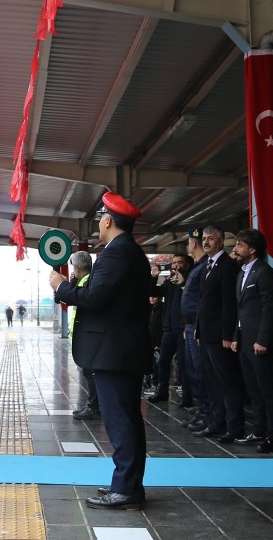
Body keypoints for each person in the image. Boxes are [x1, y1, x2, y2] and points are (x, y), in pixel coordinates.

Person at [50, 192, 151, 510]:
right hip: (121, 350)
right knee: (126, 419)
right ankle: (127, 484)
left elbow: (95, 296)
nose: (99, 224)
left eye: (100, 219)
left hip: (116, 352)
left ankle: (126, 489)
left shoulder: (116, 254)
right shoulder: (128, 252)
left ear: (108, 221)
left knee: (120, 421)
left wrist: (61, 287)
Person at [231, 228, 273, 452]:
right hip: (244, 339)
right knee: (253, 389)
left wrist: (263, 339)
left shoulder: (265, 272)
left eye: (239, 245)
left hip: (260, 342)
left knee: (266, 389)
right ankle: (259, 430)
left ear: (252, 249)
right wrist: (236, 336)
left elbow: (268, 307)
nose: (235, 249)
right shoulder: (243, 273)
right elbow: (240, 309)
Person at [194, 226, 244, 444]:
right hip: (205, 333)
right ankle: (216, 422)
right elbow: (202, 302)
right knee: (212, 381)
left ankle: (234, 427)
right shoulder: (207, 265)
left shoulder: (227, 266)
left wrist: (228, 334)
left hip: (219, 335)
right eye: (204, 239)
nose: (206, 242)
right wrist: (198, 328)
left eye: (211, 239)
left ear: (221, 242)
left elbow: (228, 304)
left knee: (227, 382)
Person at [147, 253, 191, 404]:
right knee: (163, 361)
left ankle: (187, 395)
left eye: (180, 262)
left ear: (187, 265)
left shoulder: (189, 280)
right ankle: (162, 390)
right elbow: (155, 292)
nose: (176, 265)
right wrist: (154, 277)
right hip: (169, 328)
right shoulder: (171, 280)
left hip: (183, 329)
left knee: (184, 363)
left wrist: (182, 280)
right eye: (174, 263)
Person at [180, 230, 212, 432]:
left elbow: (203, 301)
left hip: (198, 327)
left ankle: (207, 412)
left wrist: (198, 328)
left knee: (202, 371)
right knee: (193, 370)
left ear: (193, 244)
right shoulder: (197, 267)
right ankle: (202, 410)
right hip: (190, 326)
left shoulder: (203, 267)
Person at [68, 250, 100, 421]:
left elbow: (76, 299)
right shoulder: (84, 280)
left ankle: (94, 407)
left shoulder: (87, 282)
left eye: (73, 266)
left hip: (89, 335)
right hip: (86, 334)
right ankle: (93, 405)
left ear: (77, 267)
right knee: (89, 372)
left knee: (90, 372)